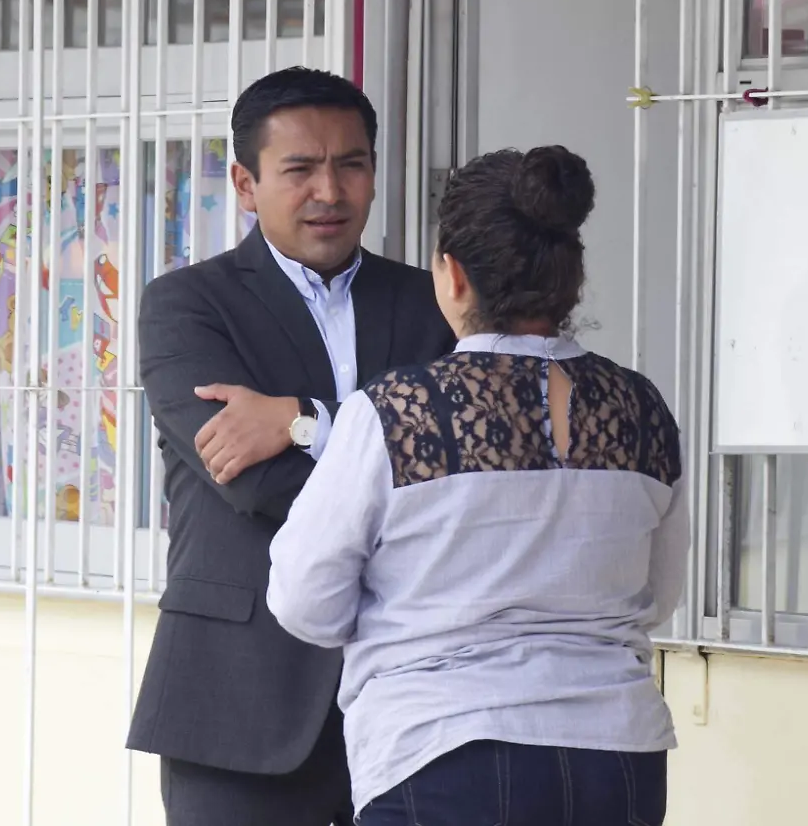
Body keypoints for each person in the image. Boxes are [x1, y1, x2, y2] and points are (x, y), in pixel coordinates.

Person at [267, 145, 688, 825]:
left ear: (453, 274)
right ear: (569, 278)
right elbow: (659, 594)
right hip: (619, 756)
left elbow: (304, 600)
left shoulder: (397, 412)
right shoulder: (641, 409)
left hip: (443, 751)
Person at [126, 67, 457, 825]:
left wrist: (304, 420)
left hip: (412, 702)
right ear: (245, 183)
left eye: (351, 164)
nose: (330, 192)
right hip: (239, 704)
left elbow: (465, 475)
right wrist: (402, 465)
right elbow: (253, 484)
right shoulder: (187, 305)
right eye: (300, 169)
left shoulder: (431, 302)